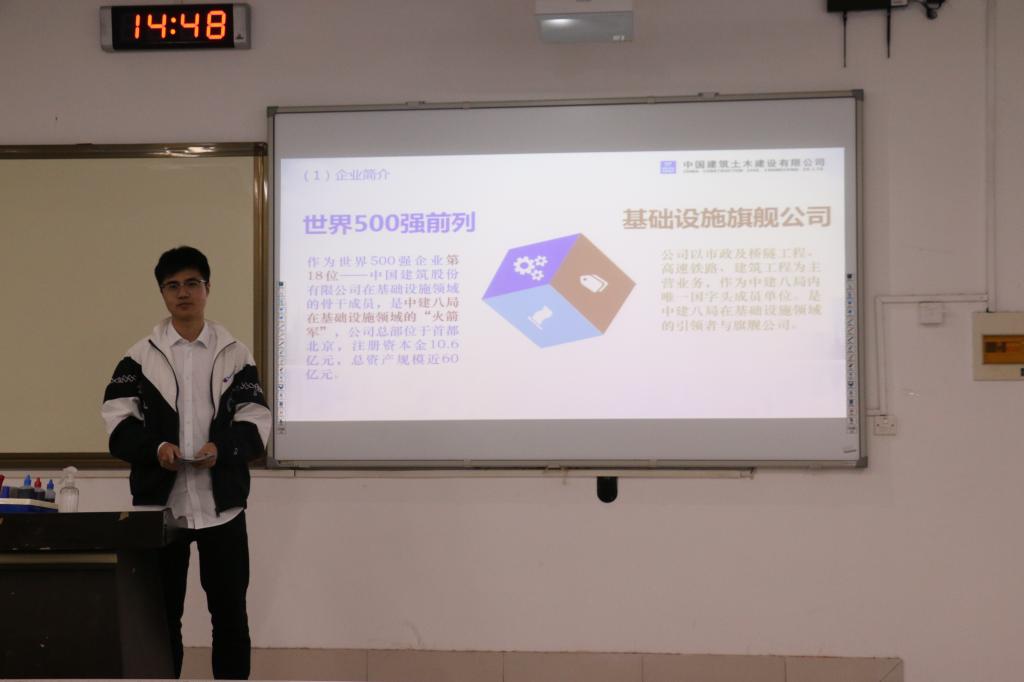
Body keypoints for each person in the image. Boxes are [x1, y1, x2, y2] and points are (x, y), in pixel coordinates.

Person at [101, 246, 270, 680]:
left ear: (207, 288)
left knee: (230, 616)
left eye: (192, 283)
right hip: (162, 510)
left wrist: (223, 448)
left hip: (222, 508)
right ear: (162, 294)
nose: (183, 293)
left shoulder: (235, 353)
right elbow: (118, 425)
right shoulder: (138, 357)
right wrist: (156, 449)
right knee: (160, 620)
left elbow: (256, 421)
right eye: (172, 286)